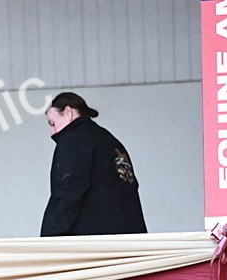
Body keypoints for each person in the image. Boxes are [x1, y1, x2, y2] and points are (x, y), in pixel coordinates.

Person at [40, 92, 147, 236]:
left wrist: (50, 237)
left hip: (94, 242)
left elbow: (70, 191)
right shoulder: (111, 142)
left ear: (68, 112)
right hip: (131, 240)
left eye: (52, 124)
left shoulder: (73, 139)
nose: (52, 133)